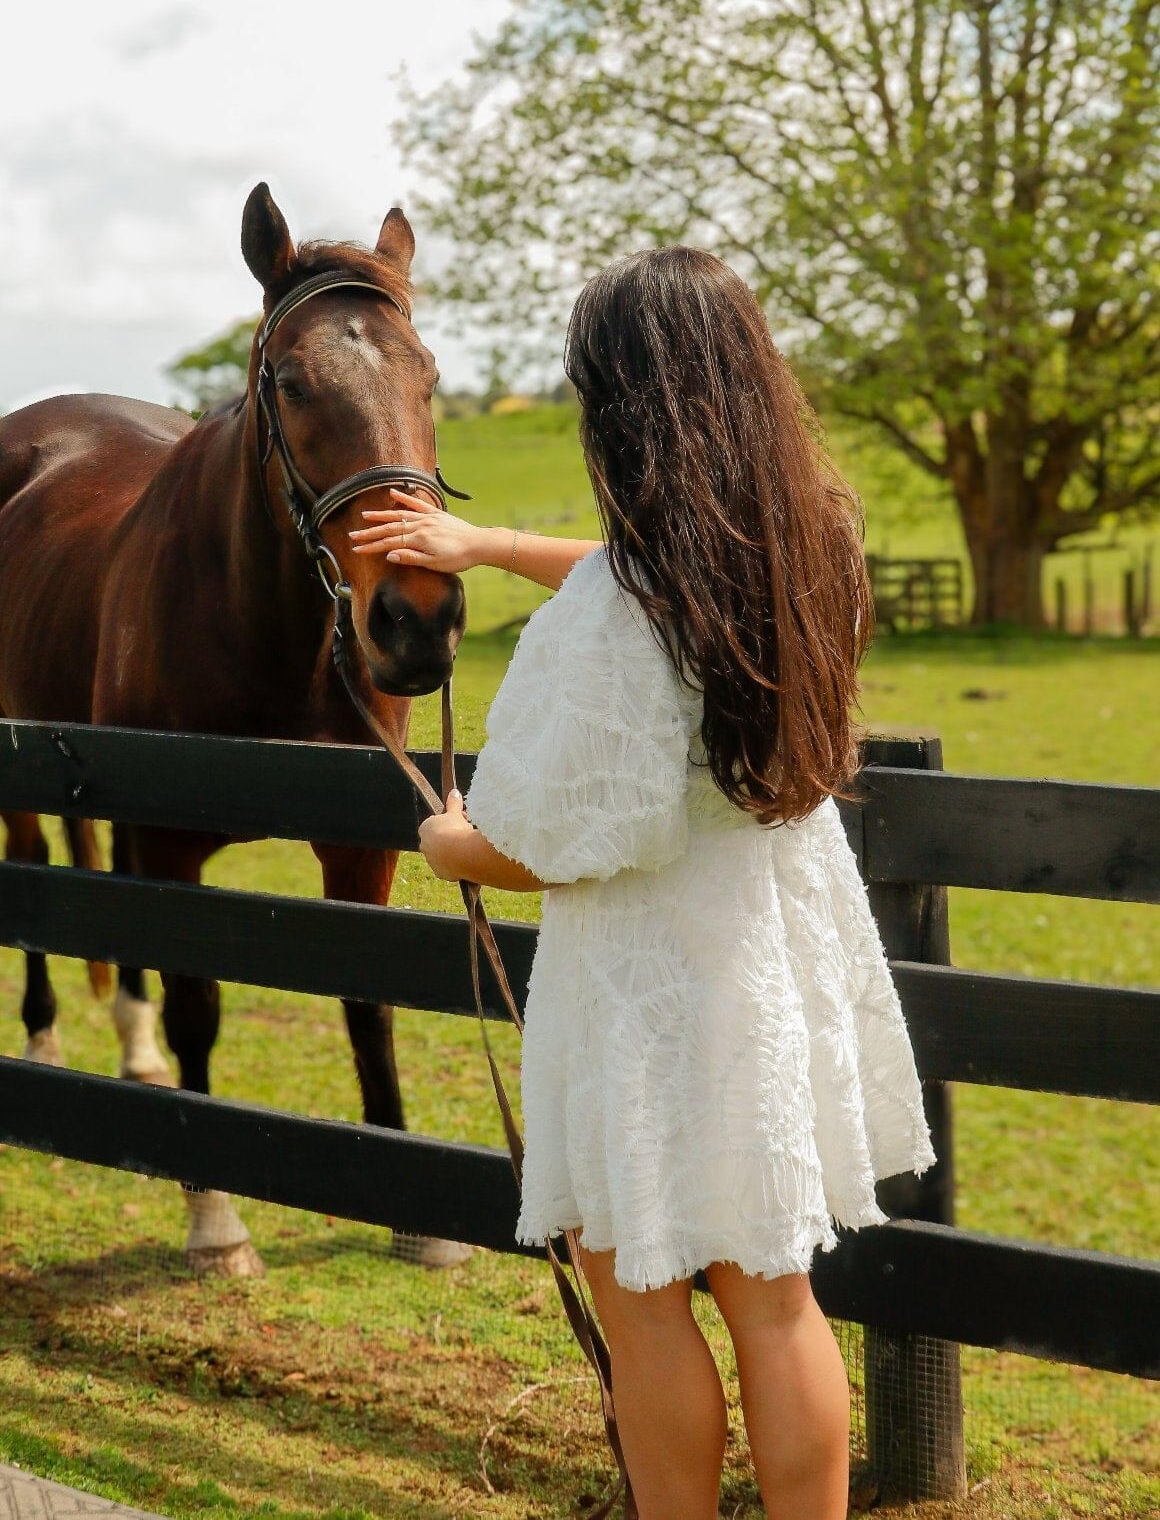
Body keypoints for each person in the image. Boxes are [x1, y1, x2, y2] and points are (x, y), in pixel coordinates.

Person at [348, 248, 934, 1520]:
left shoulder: (621, 611)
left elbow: (554, 837)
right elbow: (659, 585)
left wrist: (451, 845)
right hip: (766, 971)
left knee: (641, 1301)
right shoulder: (806, 547)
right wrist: (493, 544)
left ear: (622, 406)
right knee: (779, 1304)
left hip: (641, 992)